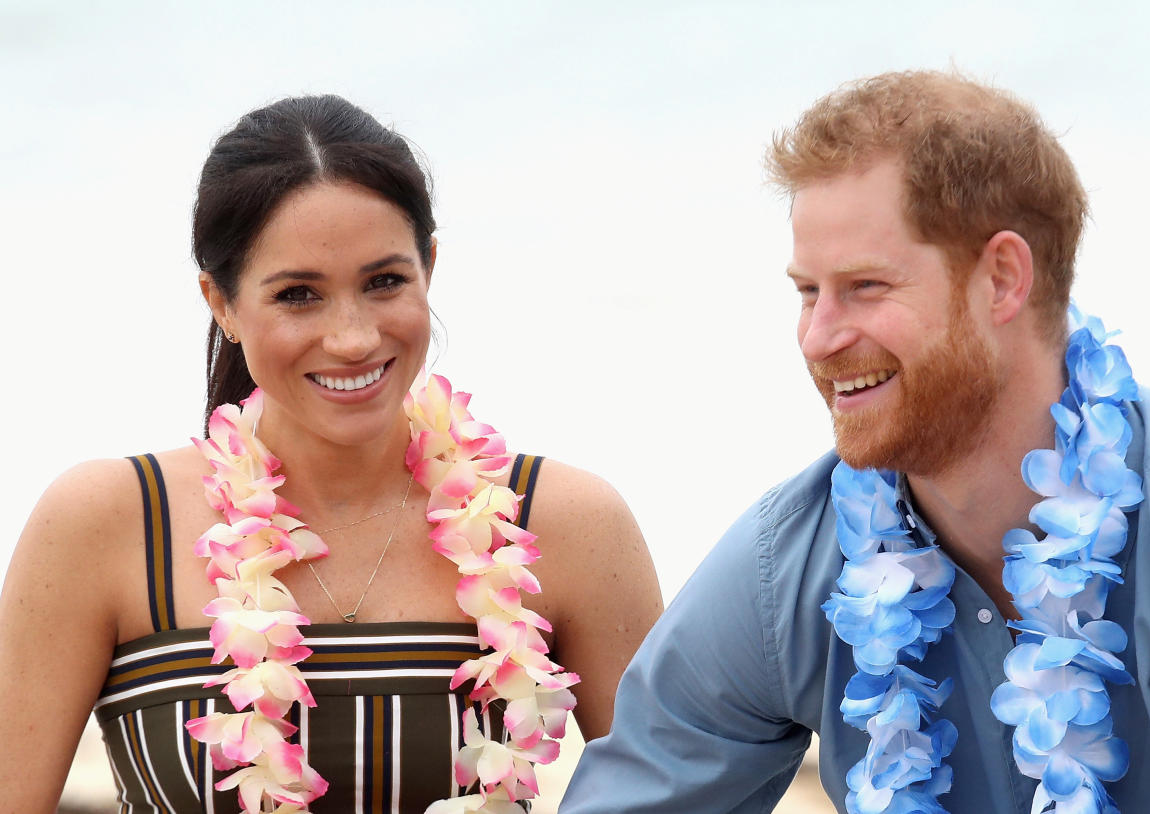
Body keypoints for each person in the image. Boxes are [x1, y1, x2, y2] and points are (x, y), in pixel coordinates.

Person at [560, 71, 1150, 814]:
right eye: (806, 292)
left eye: (865, 287)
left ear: (1003, 279)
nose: (818, 339)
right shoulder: (786, 564)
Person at [0, 94, 663, 813]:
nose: (351, 338)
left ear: (429, 267)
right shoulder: (106, 523)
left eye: (384, 282)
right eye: (297, 295)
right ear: (219, 302)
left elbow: (675, 799)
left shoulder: (566, 524)